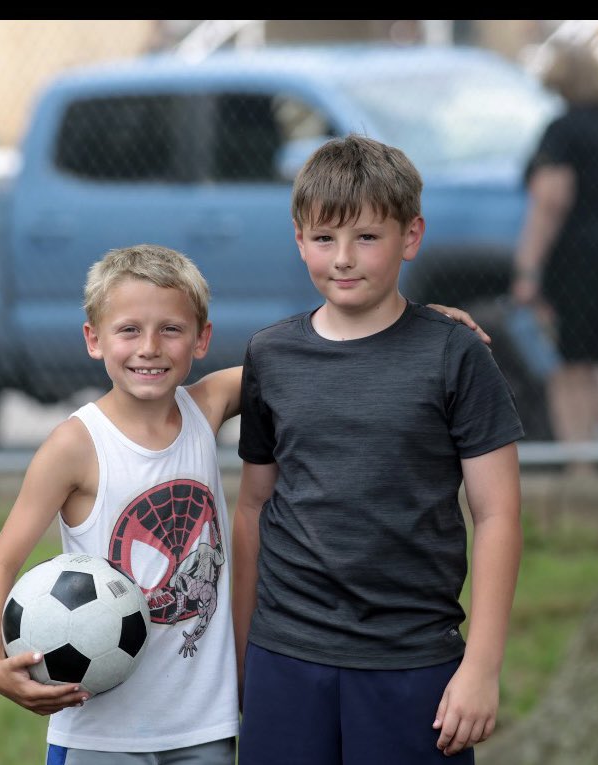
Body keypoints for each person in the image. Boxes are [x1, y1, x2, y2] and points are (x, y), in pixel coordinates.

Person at [0, 243, 488, 765]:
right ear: (93, 339)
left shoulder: (206, 406)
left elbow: (323, 355)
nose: (149, 347)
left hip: (205, 727)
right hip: (100, 731)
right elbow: (0, 562)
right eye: (128, 329)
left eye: (170, 329)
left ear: (202, 339)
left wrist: (415, 328)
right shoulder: (75, 444)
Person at [232, 135, 524, 764]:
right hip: (286, 656)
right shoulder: (270, 354)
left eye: (366, 237)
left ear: (410, 237)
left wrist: (482, 667)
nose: (343, 258)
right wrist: (240, 657)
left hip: (414, 662)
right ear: (298, 239)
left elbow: (498, 515)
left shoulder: (455, 354)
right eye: (324, 238)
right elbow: (254, 509)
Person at [511, 41, 598, 455]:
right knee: (587, 360)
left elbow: (551, 199)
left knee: (570, 364)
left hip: (577, 259)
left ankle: (586, 459)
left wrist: (527, 269)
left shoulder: (563, 130)